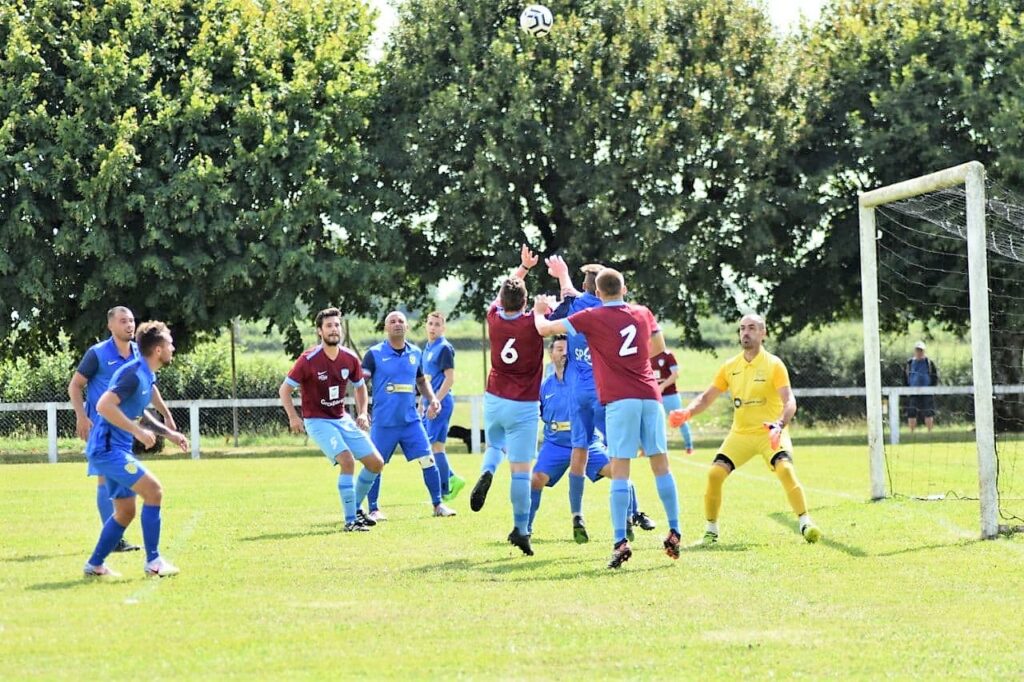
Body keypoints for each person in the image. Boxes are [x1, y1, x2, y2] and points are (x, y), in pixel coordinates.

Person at [534, 268, 682, 569]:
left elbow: (544, 329)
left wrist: (538, 312)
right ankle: (675, 530)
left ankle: (619, 541)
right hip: (650, 396)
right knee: (661, 466)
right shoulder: (642, 313)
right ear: (624, 288)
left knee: (621, 469)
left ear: (598, 294)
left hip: (619, 399)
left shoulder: (593, 316)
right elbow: (658, 347)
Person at [668, 313, 822, 546]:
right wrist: (687, 412)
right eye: (742, 329)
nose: (746, 333)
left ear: (763, 333)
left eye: (751, 328)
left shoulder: (774, 364)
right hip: (740, 434)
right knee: (714, 474)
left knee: (785, 470)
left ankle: (805, 523)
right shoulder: (730, 366)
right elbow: (707, 397)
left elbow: (789, 401)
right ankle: (711, 532)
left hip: (770, 432)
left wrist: (779, 425)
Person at [544, 257, 656, 539]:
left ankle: (577, 516)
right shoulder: (609, 313)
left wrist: (558, 282)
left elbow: (568, 295)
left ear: (590, 287)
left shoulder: (580, 307)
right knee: (619, 456)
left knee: (578, 454)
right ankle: (631, 514)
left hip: (577, 393)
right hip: (605, 392)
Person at [82, 321, 190, 578]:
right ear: (158, 350)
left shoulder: (145, 373)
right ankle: (154, 562)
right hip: (107, 450)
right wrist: (137, 432)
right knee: (154, 491)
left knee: (125, 512)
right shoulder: (132, 373)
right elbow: (104, 406)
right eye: (169, 343)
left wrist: (169, 433)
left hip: (116, 449)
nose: (173, 347)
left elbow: (137, 412)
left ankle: (94, 565)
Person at [69, 306, 176, 554]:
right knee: (105, 479)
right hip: (103, 429)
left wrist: (166, 414)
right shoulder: (97, 354)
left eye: (131, 320)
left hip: (124, 431)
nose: (129, 325)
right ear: (110, 326)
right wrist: (81, 416)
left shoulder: (142, 352)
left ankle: (102, 554)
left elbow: (150, 388)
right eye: (123, 321)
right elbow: (75, 386)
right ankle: (116, 543)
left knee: (120, 486)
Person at [528, 335, 649, 543]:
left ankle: (634, 514)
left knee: (617, 471)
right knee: (536, 480)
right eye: (558, 349)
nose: (564, 353)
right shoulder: (544, 387)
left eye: (567, 350)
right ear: (550, 354)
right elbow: (531, 416)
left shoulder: (585, 381)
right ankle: (524, 529)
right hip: (555, 444)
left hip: (588, 442)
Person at [279, 307, 384, 532]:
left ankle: (355, 508)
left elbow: (360, 387)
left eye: (337, 325)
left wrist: (363, 412)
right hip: (317, 421)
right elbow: (284, 390)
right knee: (347, 461)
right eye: (329, 326)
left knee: (376, 463)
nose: (334, 329)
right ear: (320, 332)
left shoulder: (350, 358)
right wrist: (293, 417)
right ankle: (350, 522)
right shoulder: (308, 359)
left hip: (341, 418)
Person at [470, 245, 546, 556]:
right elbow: (548, 319)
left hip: (495, 397)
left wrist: (523, 268)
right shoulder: (533, 323)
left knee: (494, 446)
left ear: (501, 301)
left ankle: (488, 470)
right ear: (526, 302)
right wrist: (541, 308)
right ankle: (521, 528)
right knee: (520, 470)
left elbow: (507, 291)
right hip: (524, 404)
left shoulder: (493, 317)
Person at [359, 311, 455, 519]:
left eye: (401, 321)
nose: (397, 324)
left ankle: (438, 505)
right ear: (386, 328)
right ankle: (374, 509)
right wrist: (362, 411)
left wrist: (433, 399)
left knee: (428, 459)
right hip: (384, 423)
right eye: (392, 321)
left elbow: (421, 381)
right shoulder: (374, 354)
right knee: (375, 464)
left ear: (407, 327)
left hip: (411, 422)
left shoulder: (415, 353)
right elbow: (360, 384)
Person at [421, 311, 466, 501]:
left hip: (440, 403)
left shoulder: (444, 348)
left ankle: (446, 487)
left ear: (443, 328)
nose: (433, 327)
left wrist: (435, 401)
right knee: (435, 447)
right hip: (430, 403)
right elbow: (426, 380)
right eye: (430, 323)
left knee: (432, 447)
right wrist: (422, 403)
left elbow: (449, 379)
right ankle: (449, 483)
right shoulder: (427, 348)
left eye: (437, 324)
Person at [651, 348, 695, 454]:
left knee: (680, 419)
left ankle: (689, 446)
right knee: (654, 422)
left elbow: (675, 374)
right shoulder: (648, 355)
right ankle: (655, 449)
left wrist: (662, 386)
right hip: (653, 396)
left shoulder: (667, 355)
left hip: (670, 395)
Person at [904, 341, 938, 432]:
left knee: (928, 412)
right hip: (913, 391)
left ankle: (930, 431)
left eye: (921, 350)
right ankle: (911, 432)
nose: (919, 352)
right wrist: (906, 390)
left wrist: (932, 388)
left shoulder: (929, 363)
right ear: (914, 351)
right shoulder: (910, 363)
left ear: (924, 351)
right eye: (917, 350)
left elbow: (935, 376)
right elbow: (904, 377)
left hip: (927, 391)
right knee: (911, 412)